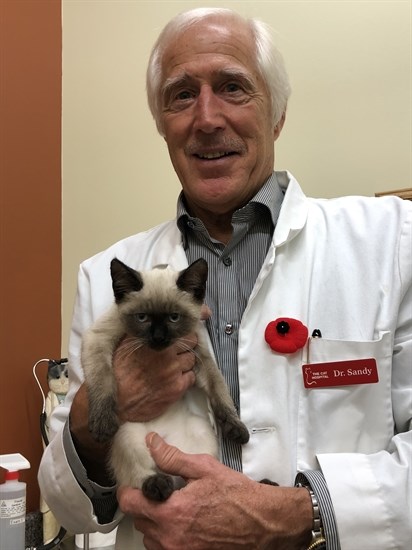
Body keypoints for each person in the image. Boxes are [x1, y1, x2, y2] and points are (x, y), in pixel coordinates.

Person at [39, 7, 412, 550]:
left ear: (277, 114)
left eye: (233, 88)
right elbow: (70, 508)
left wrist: (299, 513)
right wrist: (96, 416)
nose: (207, 118)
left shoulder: (394, 242)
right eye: (182, 95)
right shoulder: (105, 275)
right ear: (162, 124)